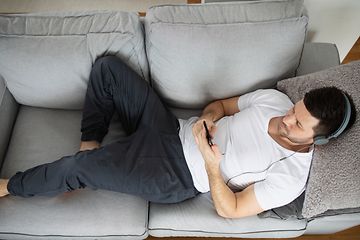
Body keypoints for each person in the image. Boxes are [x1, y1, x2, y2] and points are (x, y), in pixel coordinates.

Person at [0, 56, 356, 219]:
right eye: (294, 109)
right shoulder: (275, 102)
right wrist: (206, 120)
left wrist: (213, 166)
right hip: (171, 129)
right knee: (107, 69)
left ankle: (10, 186)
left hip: (175, 173)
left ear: (318, 141)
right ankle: (91, 142)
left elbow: (231, 210)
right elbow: (221, 105)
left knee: (77, 169)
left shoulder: (291, 176)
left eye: (296, 124)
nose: (285, 119)